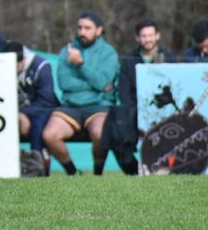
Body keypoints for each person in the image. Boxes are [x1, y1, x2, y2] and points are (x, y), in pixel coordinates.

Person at [41, 12, 120, 176]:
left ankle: (97, 174)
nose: (82, 32)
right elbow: (65, 84)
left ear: (99, 31)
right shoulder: (67, 51)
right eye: (80, 28)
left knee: (100, 134)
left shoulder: (109, 53)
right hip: (70, 106)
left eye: (87, 28)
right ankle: (73, 173)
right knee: (49, 135)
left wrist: (81, 64)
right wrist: (93, 86)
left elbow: (102, 82)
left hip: (99, 106)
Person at [106, 19, 176, 175]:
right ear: (137, 38)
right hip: (135, 111)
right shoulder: (128, 60)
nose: (147, 39)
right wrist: (136, 111)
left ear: (157, 36)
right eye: (143, 36)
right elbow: (123, 92)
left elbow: (175, 89)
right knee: (114, 132)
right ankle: (133, 170)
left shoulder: (169, 58)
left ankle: (169, 169)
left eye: (151, 35)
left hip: (164, 112)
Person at [5, 40, 57, 169]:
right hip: (14, 112)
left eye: (13, 66)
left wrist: (23, 114)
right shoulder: (0, 67)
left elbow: (46, 101)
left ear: (22, 61)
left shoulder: (41, 66)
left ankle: (39, 166)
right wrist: (18, 115)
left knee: (38, 125)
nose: (9, 70)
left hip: (41, 111)